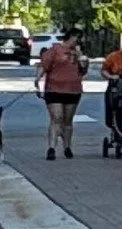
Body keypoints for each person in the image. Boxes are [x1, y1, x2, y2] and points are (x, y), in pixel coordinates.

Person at [34, 27, 89, 160]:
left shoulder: (79, 54)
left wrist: (82, 58)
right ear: (72, 37)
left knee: (67, 120)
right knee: (56, 118)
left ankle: (67, 147)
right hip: (54, 88)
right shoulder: (55, 50)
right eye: (78, 38)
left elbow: (83, 71)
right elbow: (44, 65)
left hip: (73, 89)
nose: (78, 42)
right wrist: (37, 80)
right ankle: (52, 148)